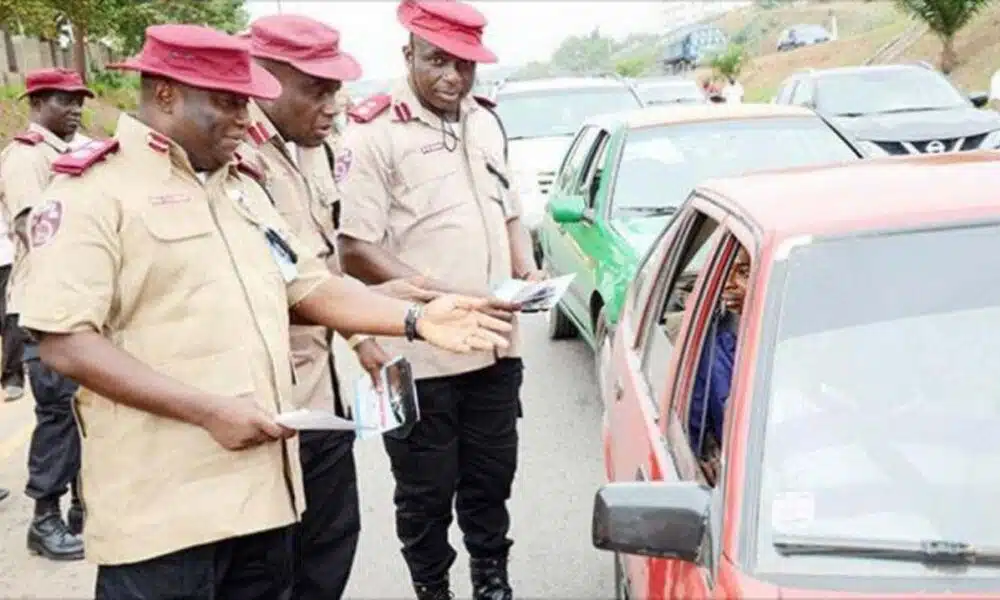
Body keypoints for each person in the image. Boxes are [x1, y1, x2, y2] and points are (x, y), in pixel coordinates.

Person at [18, 23, 514, 600]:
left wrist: (413, 320)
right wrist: (207, 411)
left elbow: (306, 284)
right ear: (166, 95)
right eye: (227, 102)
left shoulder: (241, 189)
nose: (243, 117)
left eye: (247, 100)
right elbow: (63, 341)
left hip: (262, 501)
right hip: (166, 516)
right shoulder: (92, 194)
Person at [337, 2, 543, 598]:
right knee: (425, 495)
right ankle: (433, 588)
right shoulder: (374, 133)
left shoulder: (485, 120)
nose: (453, 76)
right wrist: (441, 304)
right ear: (408, 57)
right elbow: (355, 249)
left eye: (465, 64)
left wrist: (525, 267)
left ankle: (491, 579)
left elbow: (509, 214)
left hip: (496, 349)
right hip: (419, 356)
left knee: (490, 480)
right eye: (437, 61)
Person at [242, 15, 438, 600]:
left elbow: (321, 268)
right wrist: (390, 311)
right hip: (263, 406)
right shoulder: (233, 158)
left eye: (336, 89)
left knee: (329, 550)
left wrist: (363, 343)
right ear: (265, 78)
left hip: (320, 398)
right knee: (269, 571)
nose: (333, 106)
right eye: (318, 89)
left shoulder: (312, 152)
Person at [0, 67, 94, 561]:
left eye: (80, 100)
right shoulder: (25, 157)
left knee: (87, 411)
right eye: (64, 100)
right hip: (44, 306)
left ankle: (83, 507)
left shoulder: (80, 148)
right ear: (37, 104)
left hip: (82, 302)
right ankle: (44, 518)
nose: (76, 108)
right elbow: (30, 226)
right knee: (57, 413)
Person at [688, 246, 749, 483]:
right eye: (725, 274)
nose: (729, 284)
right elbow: (695, 419)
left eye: (743, 273)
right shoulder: (712, 344)